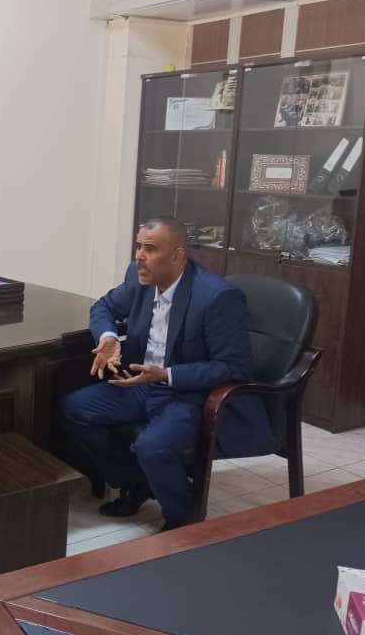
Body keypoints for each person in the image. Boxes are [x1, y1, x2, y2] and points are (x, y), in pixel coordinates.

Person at [60, 217, 276, 530]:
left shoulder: (216, 296)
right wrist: (108, 337)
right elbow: (103, 307)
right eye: (138, 246)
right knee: (75, 409)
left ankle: (182, 519)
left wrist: (166, 375)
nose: (139, 256)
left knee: (153, 446)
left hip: (185, 392)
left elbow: (233, 366)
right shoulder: (139, 277)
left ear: (177, 255)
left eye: (150, 249)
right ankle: (137, 482)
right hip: (139, 383)